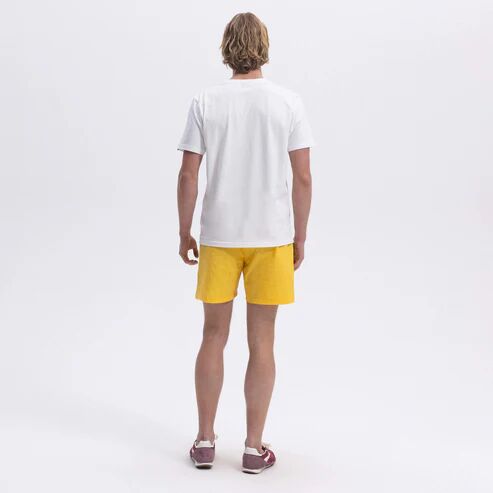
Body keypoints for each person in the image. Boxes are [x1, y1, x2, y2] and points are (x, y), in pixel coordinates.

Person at [177, 12, 314, 474]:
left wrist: (184, 230)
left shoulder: (206, 101)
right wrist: (300, 234)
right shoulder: (288, 102)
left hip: (219, 237)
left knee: (212, 335)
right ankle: (254, 449)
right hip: (271, 237)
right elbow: (303, 177)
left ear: (226, 48)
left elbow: (188, 175)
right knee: (262, 341)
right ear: (264, 47)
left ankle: (204, 440)